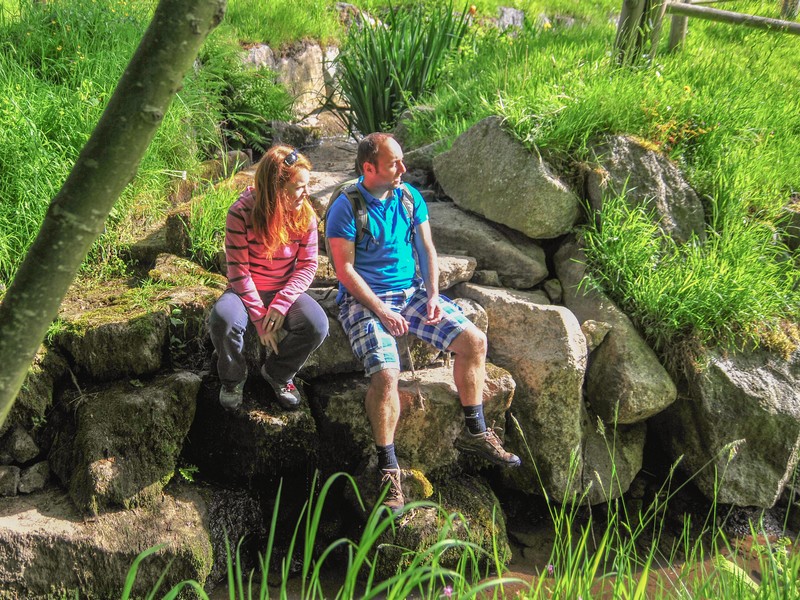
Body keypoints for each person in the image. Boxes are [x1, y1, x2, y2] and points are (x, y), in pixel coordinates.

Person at [326, 133, 520, 513]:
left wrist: (432, 294)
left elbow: (427, 249)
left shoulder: (409, 197)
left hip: (412, 294)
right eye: (394, 163)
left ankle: (476, 430)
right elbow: (345, 270)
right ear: (369, 168)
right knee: (385, 374)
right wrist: (381, 309)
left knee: (474, 341)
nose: (403, 168)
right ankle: (388, 467)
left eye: (401, 161)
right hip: (365, 301)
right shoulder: (346, 207)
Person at [208, 145, 328, 411]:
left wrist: (282, 302)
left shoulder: (305, 214)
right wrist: (260, 318)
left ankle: (278, 373)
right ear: (276, 188)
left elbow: (308, 265)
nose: (307, 193)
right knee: (223, 321)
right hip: (244, 291)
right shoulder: (240, 213)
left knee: (317, 325)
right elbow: (239, 271)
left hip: (283, 291)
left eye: (307, 185)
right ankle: (232, 378)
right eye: (299, 187)